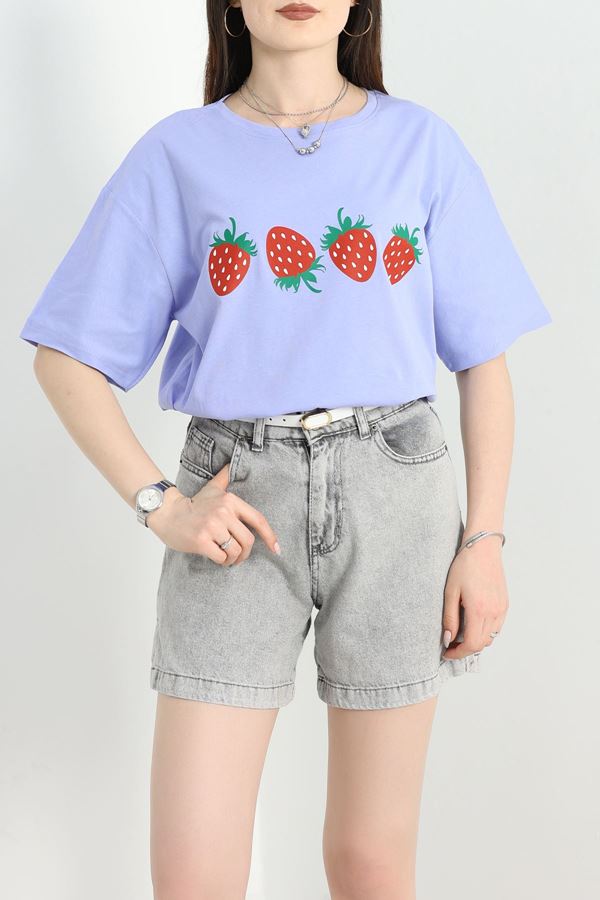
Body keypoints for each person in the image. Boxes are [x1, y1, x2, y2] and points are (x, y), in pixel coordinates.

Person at [18, 2, 552, 897]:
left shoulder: (421, 144)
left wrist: (485, 540)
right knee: (194, 872)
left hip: (397, 493)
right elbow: (66, 356)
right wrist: (159, 504)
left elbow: (482, 362)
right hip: (235, 499)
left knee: (370, 858)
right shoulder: (178, 154)